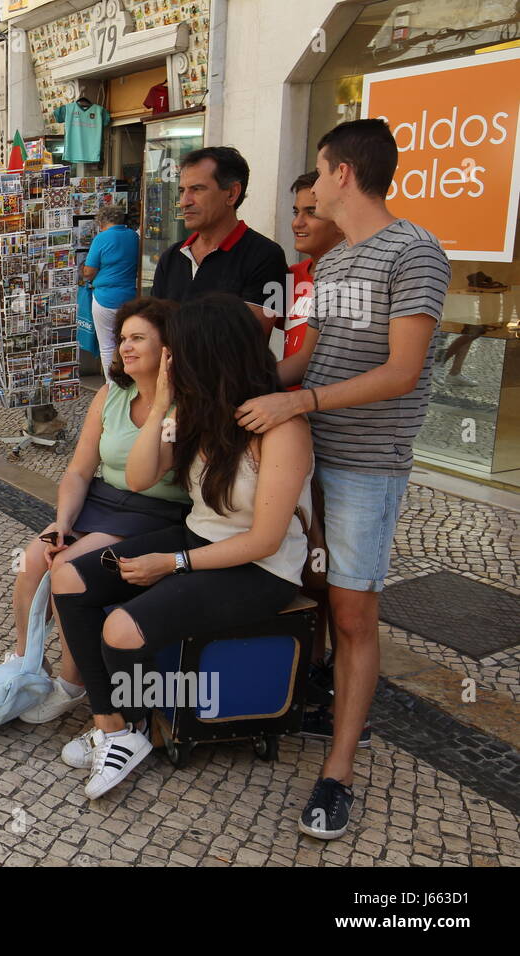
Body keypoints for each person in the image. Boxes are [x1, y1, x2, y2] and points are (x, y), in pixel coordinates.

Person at [234, 118, 450, 841]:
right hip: (308, 448)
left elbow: (402, 372)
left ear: (344, 175)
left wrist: (299, 400)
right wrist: (246, 381)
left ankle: (339, 771)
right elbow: (313, 362)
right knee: (313, 585)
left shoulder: (415, 251)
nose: (312, 189)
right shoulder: (331, 263)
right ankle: (307, 694)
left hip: (365, 460)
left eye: (319, 174)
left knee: (356, 612)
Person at [51, 293, 312, 800]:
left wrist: (171, 564)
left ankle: (137, 725)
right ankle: (115, 728)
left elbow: (265, 539)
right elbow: (141, 473)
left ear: (209, 353)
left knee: (121, 629)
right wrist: (165, 401)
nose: (171, 360)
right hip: (199, 538)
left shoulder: (282, 429)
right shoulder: (197, 412)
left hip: (261, 569)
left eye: (179, 352)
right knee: (69, 574)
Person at [7, 298, 190, 724]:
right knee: (32, 558)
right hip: (100, 502)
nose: (126, 347)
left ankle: (74, 683)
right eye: (123, 337)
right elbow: (79, 470)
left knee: (67, 567)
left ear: (168, 347)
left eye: (138, 338)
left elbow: (160, 477)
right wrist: (62, 523)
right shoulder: (111, 393)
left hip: (154, 512)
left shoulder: (184, 403)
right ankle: (26, 661)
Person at [150, 146, 288, 335]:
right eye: (182, 191)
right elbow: (153, 328)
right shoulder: (171, 257)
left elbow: (248, 337)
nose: (184, 201)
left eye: (197, 189)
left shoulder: (267, 256)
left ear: (231, 194)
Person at [282, 170, 345, 365]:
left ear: (341, 220)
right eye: (296, 212)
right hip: (284, 391)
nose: (297, 223)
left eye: (311, 212)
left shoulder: (357, 278)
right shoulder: (291, 275)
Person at [81, 204, 139, 379]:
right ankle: (130, 381)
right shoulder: (133, 236)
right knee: (127, 342)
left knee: (107, 346)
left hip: (105, 297)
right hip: (130, 296)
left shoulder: (102, 238)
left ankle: (111, 387)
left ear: (101, 221)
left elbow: (89, 271)